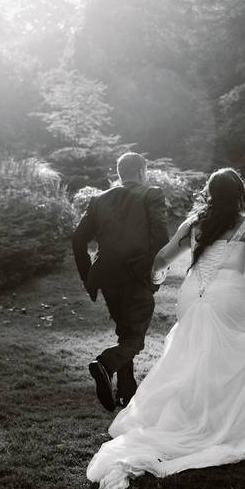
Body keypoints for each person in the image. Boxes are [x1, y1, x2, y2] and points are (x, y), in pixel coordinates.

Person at [86, 168, 245, 489]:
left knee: (190, 355)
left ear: (210, 192)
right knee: (234, 356)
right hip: (229, 295)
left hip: (191, 295)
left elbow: (163, 257)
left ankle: (188, 414)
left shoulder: (194, 224)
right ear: (240, 192)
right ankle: (224, 420)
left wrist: (155, 280)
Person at [71, 152, 170, 411]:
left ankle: (126, 391)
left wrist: (88, 275)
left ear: (120, 173)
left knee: (125, 332)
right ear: (141, 172)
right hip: (137, 277)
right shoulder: (151, 194)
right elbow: (161, 238)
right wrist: (155, 275)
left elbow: (78, 239)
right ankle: (104, 363)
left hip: (107, 278)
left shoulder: (99, 199)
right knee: (135, 340)